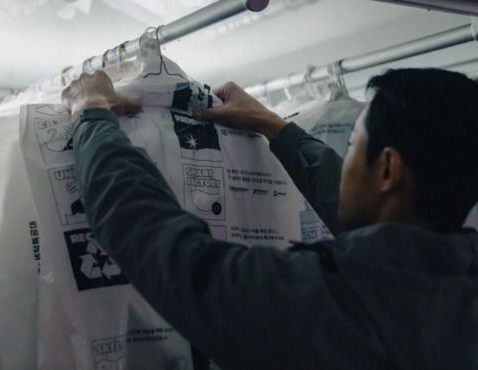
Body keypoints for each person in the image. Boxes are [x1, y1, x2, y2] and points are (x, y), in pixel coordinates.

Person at [61, 68, 478, 369]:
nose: (346, 159)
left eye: (352, 145)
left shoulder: (328, 303)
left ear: (388, 170)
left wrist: (91, 113)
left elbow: (163, 247)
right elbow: (385, 226)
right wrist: (275, 127)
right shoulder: (456, 284)